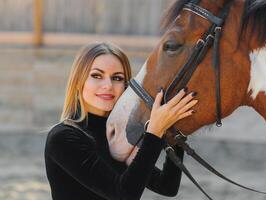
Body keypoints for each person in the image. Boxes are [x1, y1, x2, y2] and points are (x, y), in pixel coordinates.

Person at [44, 42, 198, 200]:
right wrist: (154, 132)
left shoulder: (119, 134)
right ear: (78, 82)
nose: (108, 85)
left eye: (117, 78)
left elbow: (166, 186)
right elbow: (123, 195)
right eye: (97, 75)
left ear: (126, 86)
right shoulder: (63, 137)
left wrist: (174, 128)